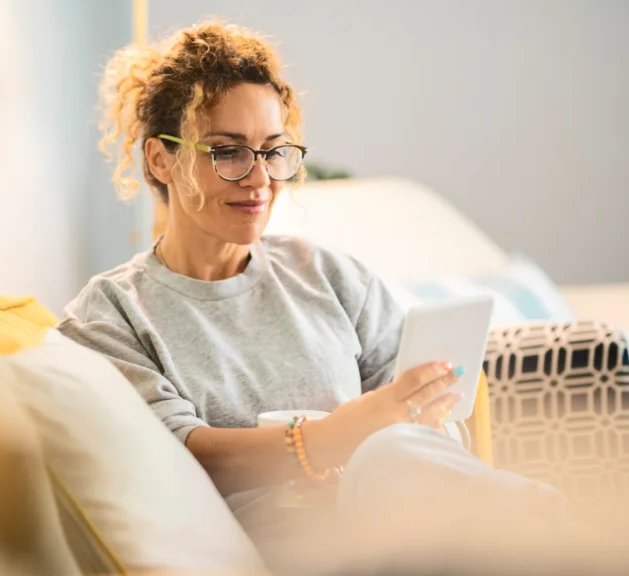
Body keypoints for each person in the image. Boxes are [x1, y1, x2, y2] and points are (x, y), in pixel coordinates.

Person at [59, 20, 565, 568]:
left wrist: (424, 415)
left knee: (397, 457)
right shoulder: (110, 314)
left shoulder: (327, 274)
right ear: (161, 159)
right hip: (299, 553)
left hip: (409, 524)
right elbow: (184, 459)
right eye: (227, 152)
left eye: (273, 152)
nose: (259, 180)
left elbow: (429, 438)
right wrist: (336, 438)